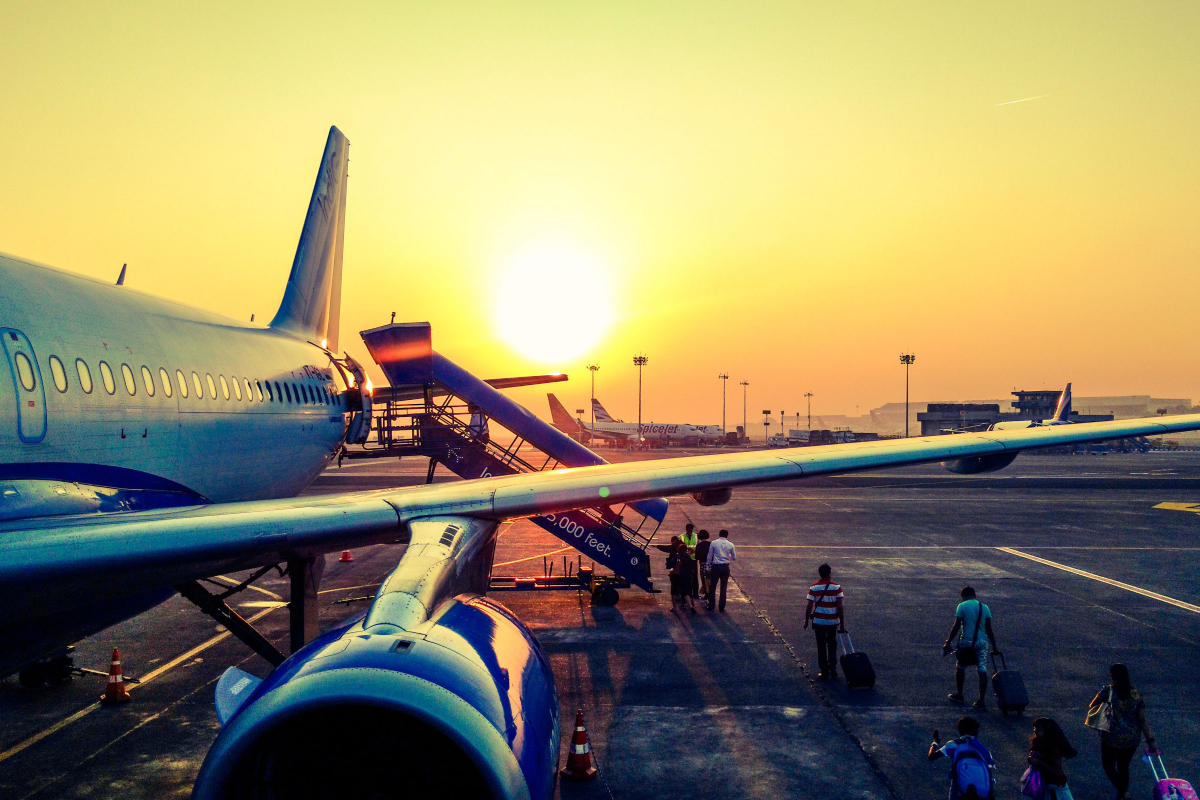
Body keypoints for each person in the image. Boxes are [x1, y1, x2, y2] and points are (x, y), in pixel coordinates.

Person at [1088, 663, 1155, 800]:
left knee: (1108, 765)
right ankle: (1122, 793)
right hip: (1132, 737)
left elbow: (1092, 705)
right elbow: (1141, 719)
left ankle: (1123, 792)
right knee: (1124, 766)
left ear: (1112, 676)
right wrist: (1150, 740)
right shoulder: (1135, 694)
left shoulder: (1108, 691)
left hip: (1111, 736)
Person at [942, 587, 1001, 710]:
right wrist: (994, 646)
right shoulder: (984, 607)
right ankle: (981, 700)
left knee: (961, 667)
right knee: (982, 669)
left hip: (966, 641)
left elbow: (957, 625)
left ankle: (960, 694)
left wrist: (948, 641)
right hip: (982, 641)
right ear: (974, 594)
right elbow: (989, 628)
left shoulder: (962, 606)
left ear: (963, 595)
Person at [928, 716, 995, 799]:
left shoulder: (953, 744)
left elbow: (932, 756)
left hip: (960, 788)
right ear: (975, 732)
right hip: (982, 790)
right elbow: (990, 765)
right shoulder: (981, 748)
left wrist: (935, 742)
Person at [804, 564, 845, 680]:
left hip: (819, 622)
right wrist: (842, 625)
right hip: (833, 622)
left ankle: (824, 670)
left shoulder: (814, 587)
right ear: (829, 574)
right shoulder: (837, 587)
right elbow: (840, 607)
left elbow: (809, 607)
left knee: (821, 646)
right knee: (832, 644)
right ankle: (833, 668)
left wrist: (806, 621)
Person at [1027, 717, 1077, 799]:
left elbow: (1058, 772)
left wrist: (1039, 763)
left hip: (1054, 787)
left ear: (1046, 731)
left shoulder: (1053, 750)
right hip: (1045, 784)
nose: (1035, 730)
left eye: (1038, 729)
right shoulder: (1038, 743)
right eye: (1035, 728)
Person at [705, 529, 736, 611]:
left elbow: (709, 556)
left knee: (713, 586)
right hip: (725, 567)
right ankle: (722, 606)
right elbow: (734, 557)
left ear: (719, 535)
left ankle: (711, 604)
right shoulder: (730, 544)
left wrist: (707, 566)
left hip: (716, 566)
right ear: (727, 535)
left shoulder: (714, 543)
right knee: (723, 587)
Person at [680, 524, 700, 600]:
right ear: (686, 529)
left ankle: (695, 593)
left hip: (693, 559)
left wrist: (692, 550)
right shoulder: (681, 537)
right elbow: (680, 547)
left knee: (694, 577)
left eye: (691, 529)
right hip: (685, 559)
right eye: (689, 530)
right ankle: (687, 593)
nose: (690, 531)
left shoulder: (696, 536)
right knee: (685, 577)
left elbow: (698, 546)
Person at [695, 530, 712, 600]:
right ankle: (710, 594)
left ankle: (706, 594)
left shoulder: (699, 545)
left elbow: (697, 557)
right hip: (710, 565)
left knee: (704, 580)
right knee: (710, 581)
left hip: (703, 565)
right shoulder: (711, 544)